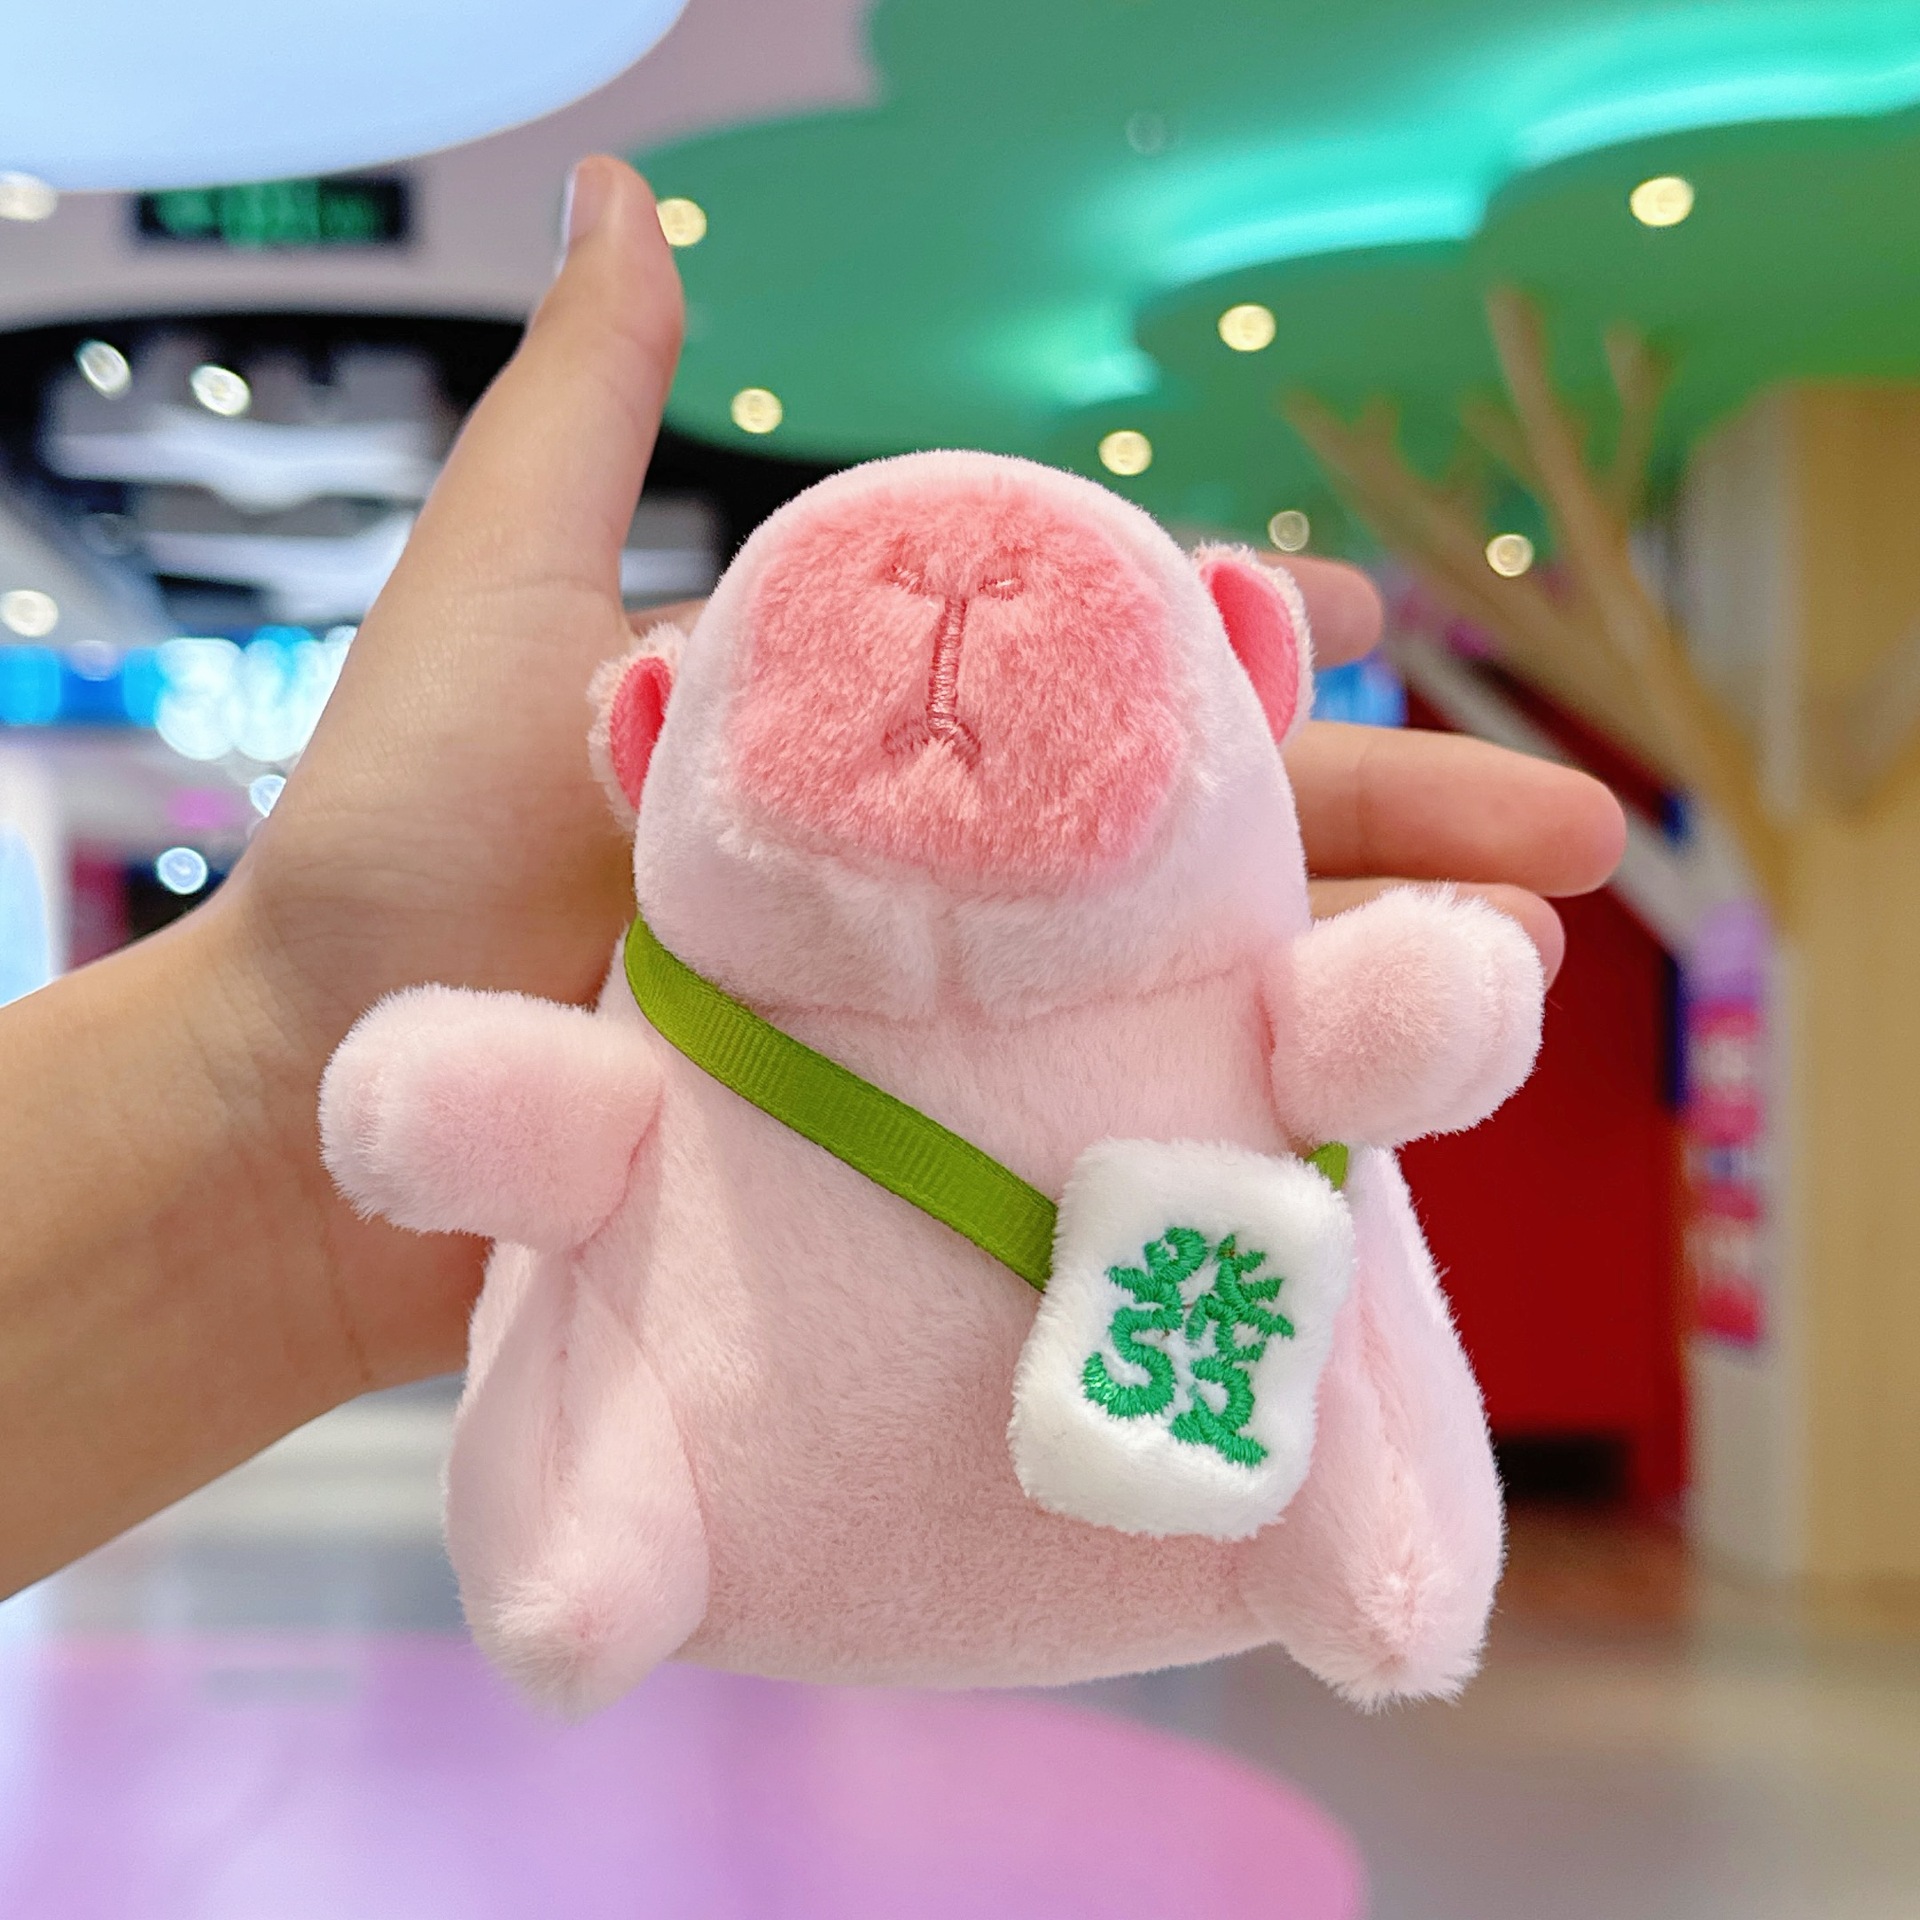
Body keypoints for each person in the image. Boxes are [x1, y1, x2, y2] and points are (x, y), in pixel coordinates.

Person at [0, 158, 1624, 1597]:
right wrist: (288, 1076)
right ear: (643, 739)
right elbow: (512, 1110)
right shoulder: (682, 978)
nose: (955, 626)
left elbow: (1399, 1026)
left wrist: (280, 1083)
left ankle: (1355, 1575)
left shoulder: (1197, 950)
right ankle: (619, 1563)